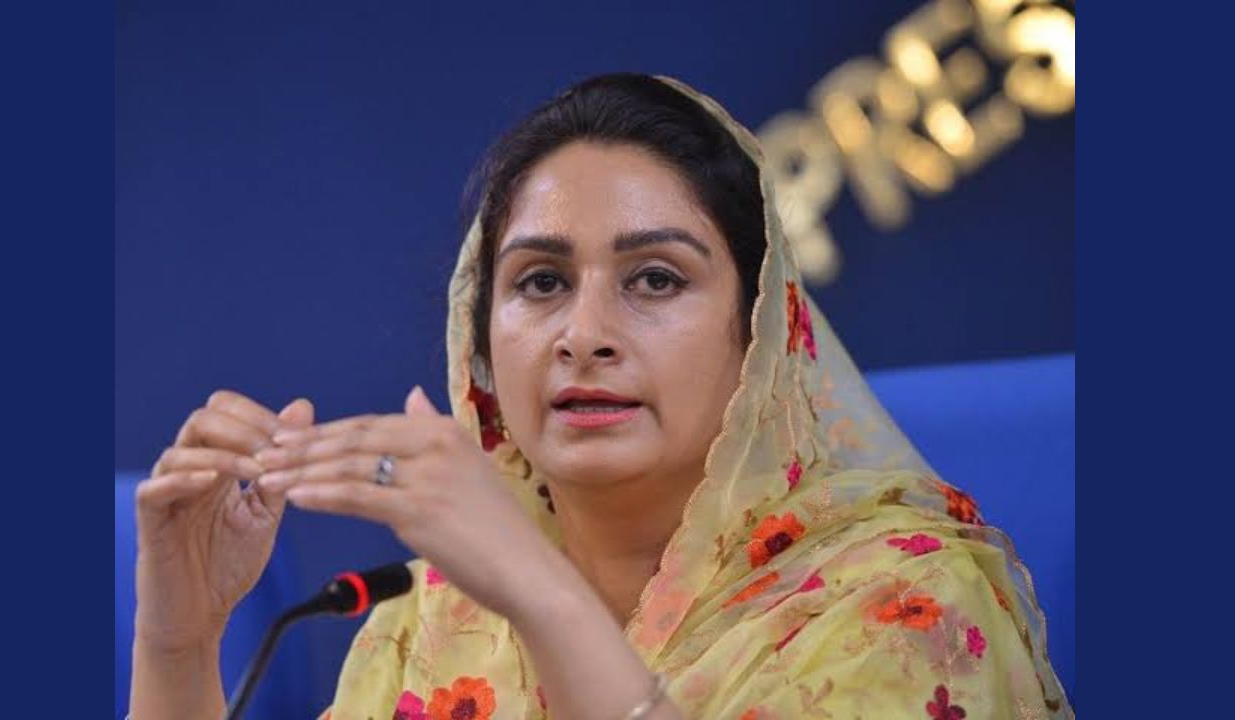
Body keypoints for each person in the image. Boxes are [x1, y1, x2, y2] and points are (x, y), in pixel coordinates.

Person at [129, 73, 1071, 719]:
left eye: (655, 279)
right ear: (481, 349)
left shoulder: (906, 604)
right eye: (540, 282)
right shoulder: (430, 617)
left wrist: (542, 599)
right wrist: (179, 642)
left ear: (761, 335)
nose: (584, 333)